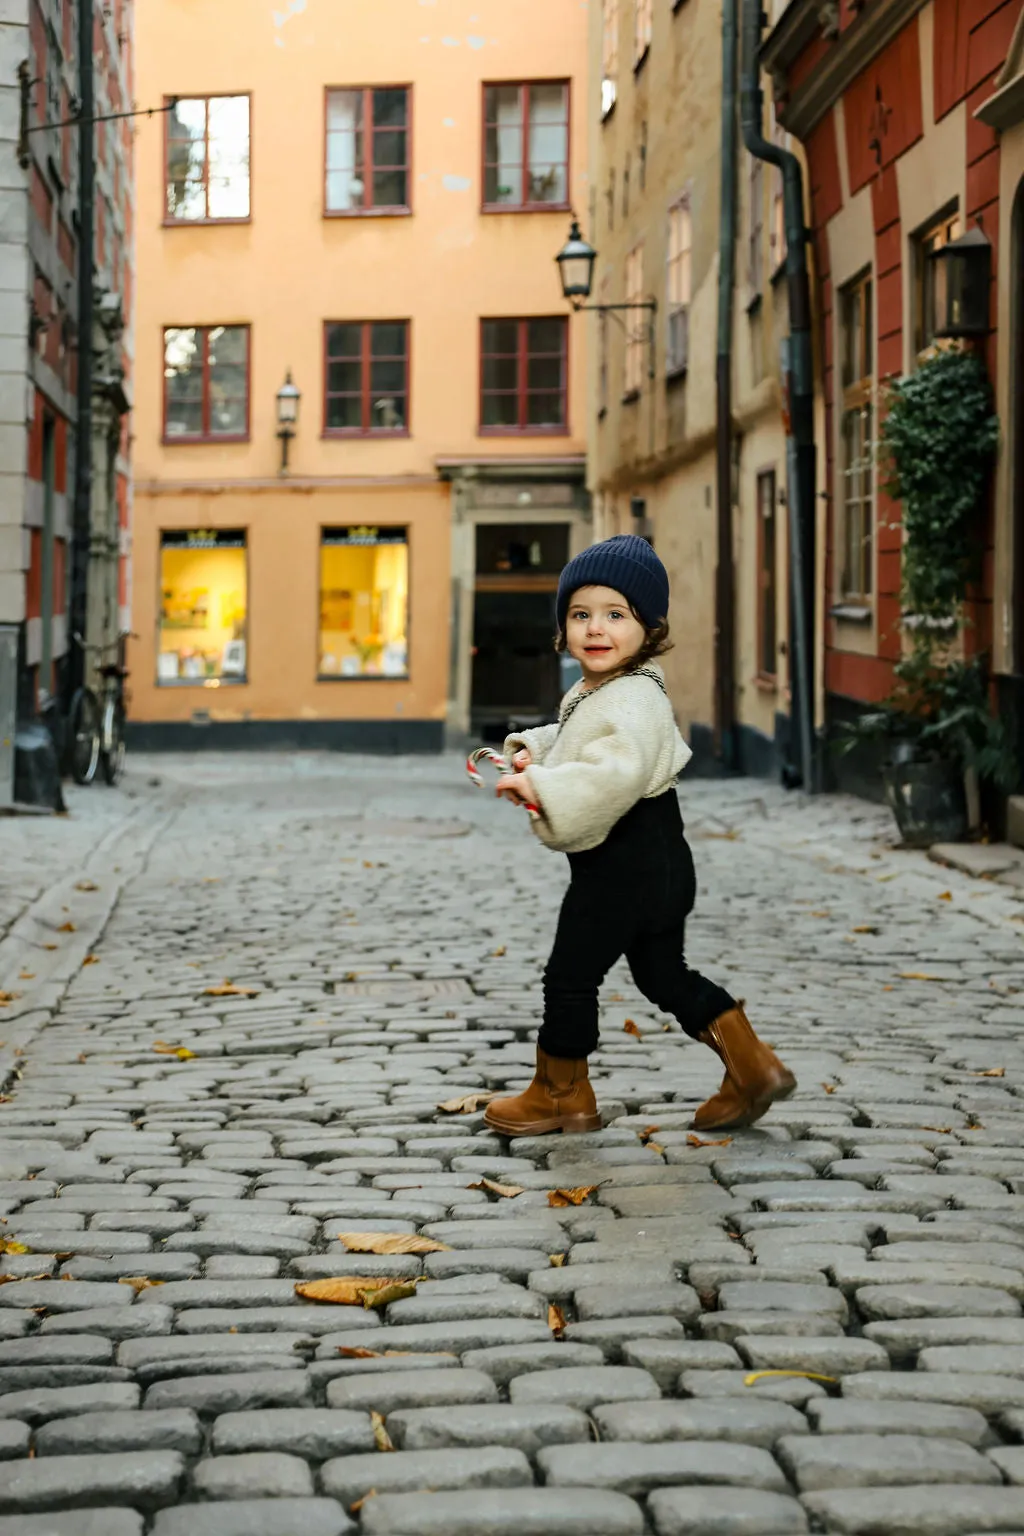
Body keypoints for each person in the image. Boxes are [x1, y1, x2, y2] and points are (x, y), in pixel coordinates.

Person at [483, 533, 796, 1138]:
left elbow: (614, 771)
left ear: (649, 627)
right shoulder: (605, 690)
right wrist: (532, 753)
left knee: (570, 975)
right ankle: (751, 1066)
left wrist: (542, 789)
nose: (595, 629)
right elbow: (580, 738)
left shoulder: (630, 699)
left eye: (615, 615)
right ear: (563, 627)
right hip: (662, 866)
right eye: (580, 615)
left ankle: (561, 1091)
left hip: (621, 867)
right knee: (662, 974)